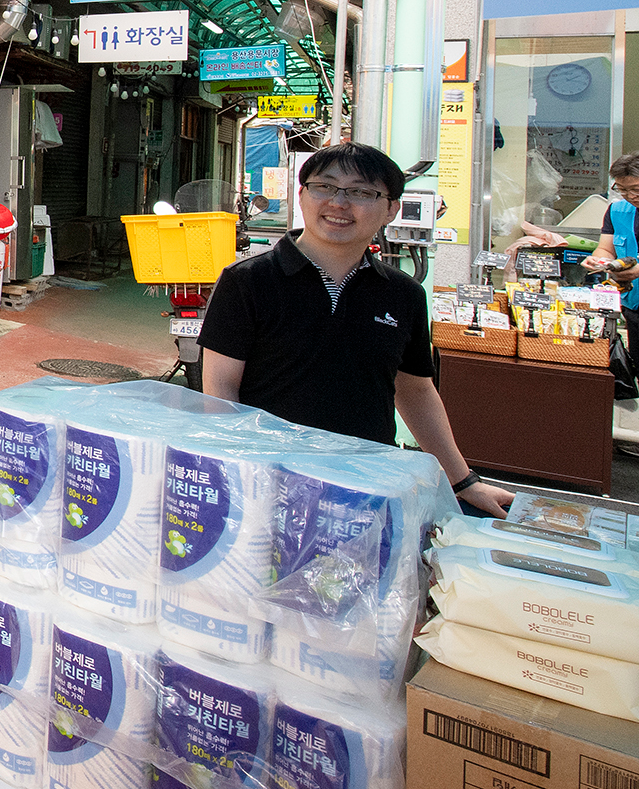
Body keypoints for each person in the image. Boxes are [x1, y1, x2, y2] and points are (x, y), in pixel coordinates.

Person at [199, 142, 511, 517]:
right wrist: (240, 479)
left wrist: (462, 481)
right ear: (301, 195)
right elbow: (220, 392)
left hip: (366, 486)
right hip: (269, 483)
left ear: (391, 208)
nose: (338, 203)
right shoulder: (247, 281)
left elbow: (414, 390)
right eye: (324, 187)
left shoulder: (404, 294)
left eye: (362, 192)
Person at [581, 151, 639, 354]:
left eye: (636, 189)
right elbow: (606, 248)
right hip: (633, 305)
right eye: (622, 189)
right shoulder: (617, 211)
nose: (631, 196)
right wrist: (598, 260)